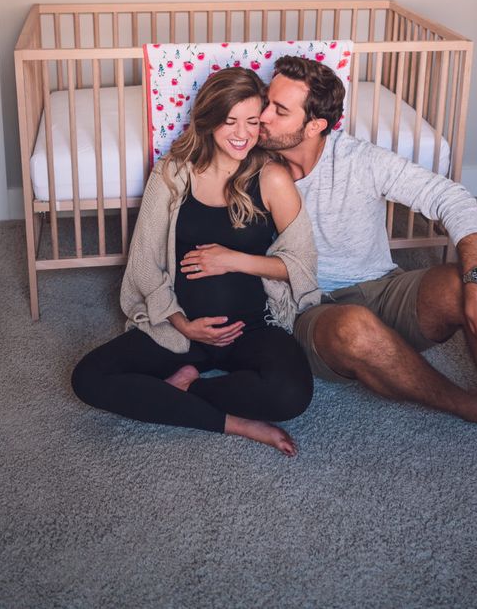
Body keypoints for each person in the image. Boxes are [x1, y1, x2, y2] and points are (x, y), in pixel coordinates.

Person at [257, 55, 477, 562]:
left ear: (317, 124)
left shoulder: (358, 159)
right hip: (314, 312)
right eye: (265, 102)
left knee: (464, 288)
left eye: (278, 110)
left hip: (383, 287)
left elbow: (451, 197)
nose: (262, 116)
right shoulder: (252, 163)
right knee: (354, 328)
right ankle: (471, 404)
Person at [72, 67, 320, 455]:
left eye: (253, 121)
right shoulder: (173, 172)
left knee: (291, 396)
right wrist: (181, 324)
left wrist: (233, 260)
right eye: (230, 121)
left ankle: (190, 387)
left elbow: (302, 266)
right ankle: (232, 423)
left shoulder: (271, 178)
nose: (242, 133)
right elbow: (143, 263)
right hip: (183, 331)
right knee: (88, 378)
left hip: (253, 328)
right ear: (207, 120)